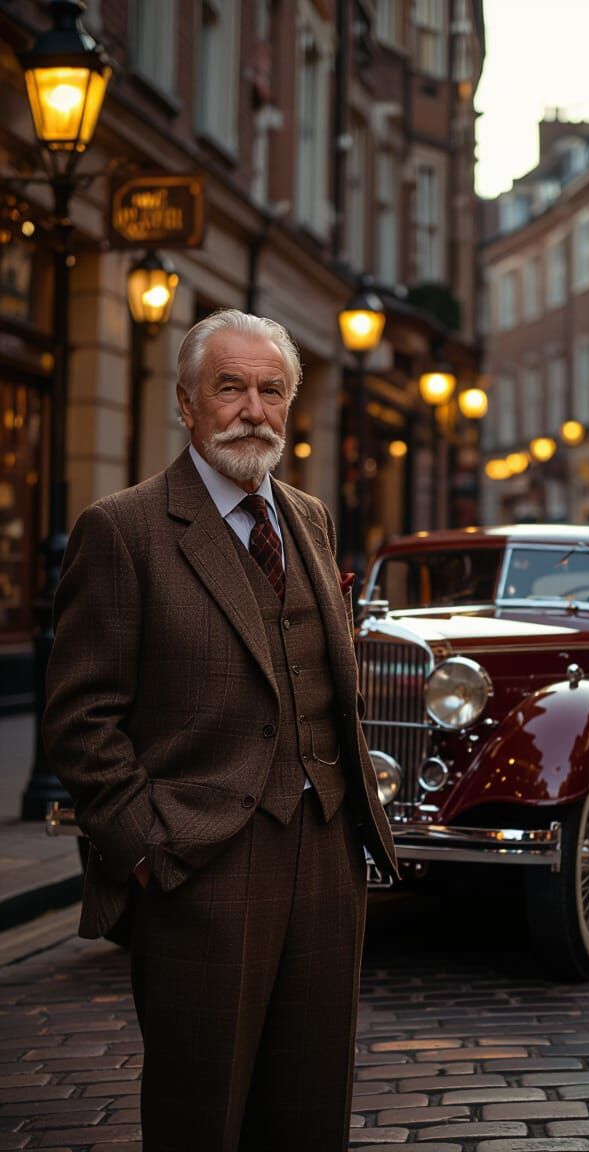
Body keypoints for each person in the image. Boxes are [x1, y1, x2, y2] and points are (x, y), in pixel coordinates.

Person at [43, 309, 397, 1151]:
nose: (253, 409)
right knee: (200, 1111)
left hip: (325, 857)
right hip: (199, 865)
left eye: (271, 390)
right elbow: (78, 717)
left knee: (311, 1112)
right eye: (229, 388)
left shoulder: (308, 518)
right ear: (187, 405)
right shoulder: (124, 529)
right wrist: (146, 847)